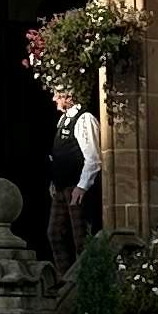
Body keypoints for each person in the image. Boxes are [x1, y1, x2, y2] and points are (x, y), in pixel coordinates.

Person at [51, 77, 103, 262]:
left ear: (68, 96)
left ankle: (82, 280)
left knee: (81, 237)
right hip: (61, 188)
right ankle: (66, 280)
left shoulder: (84, 119)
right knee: (55, 233)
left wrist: (82, 186)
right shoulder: (63, 119)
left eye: (57, 94)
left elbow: (93, 158)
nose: (54, 99)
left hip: (76, 188)